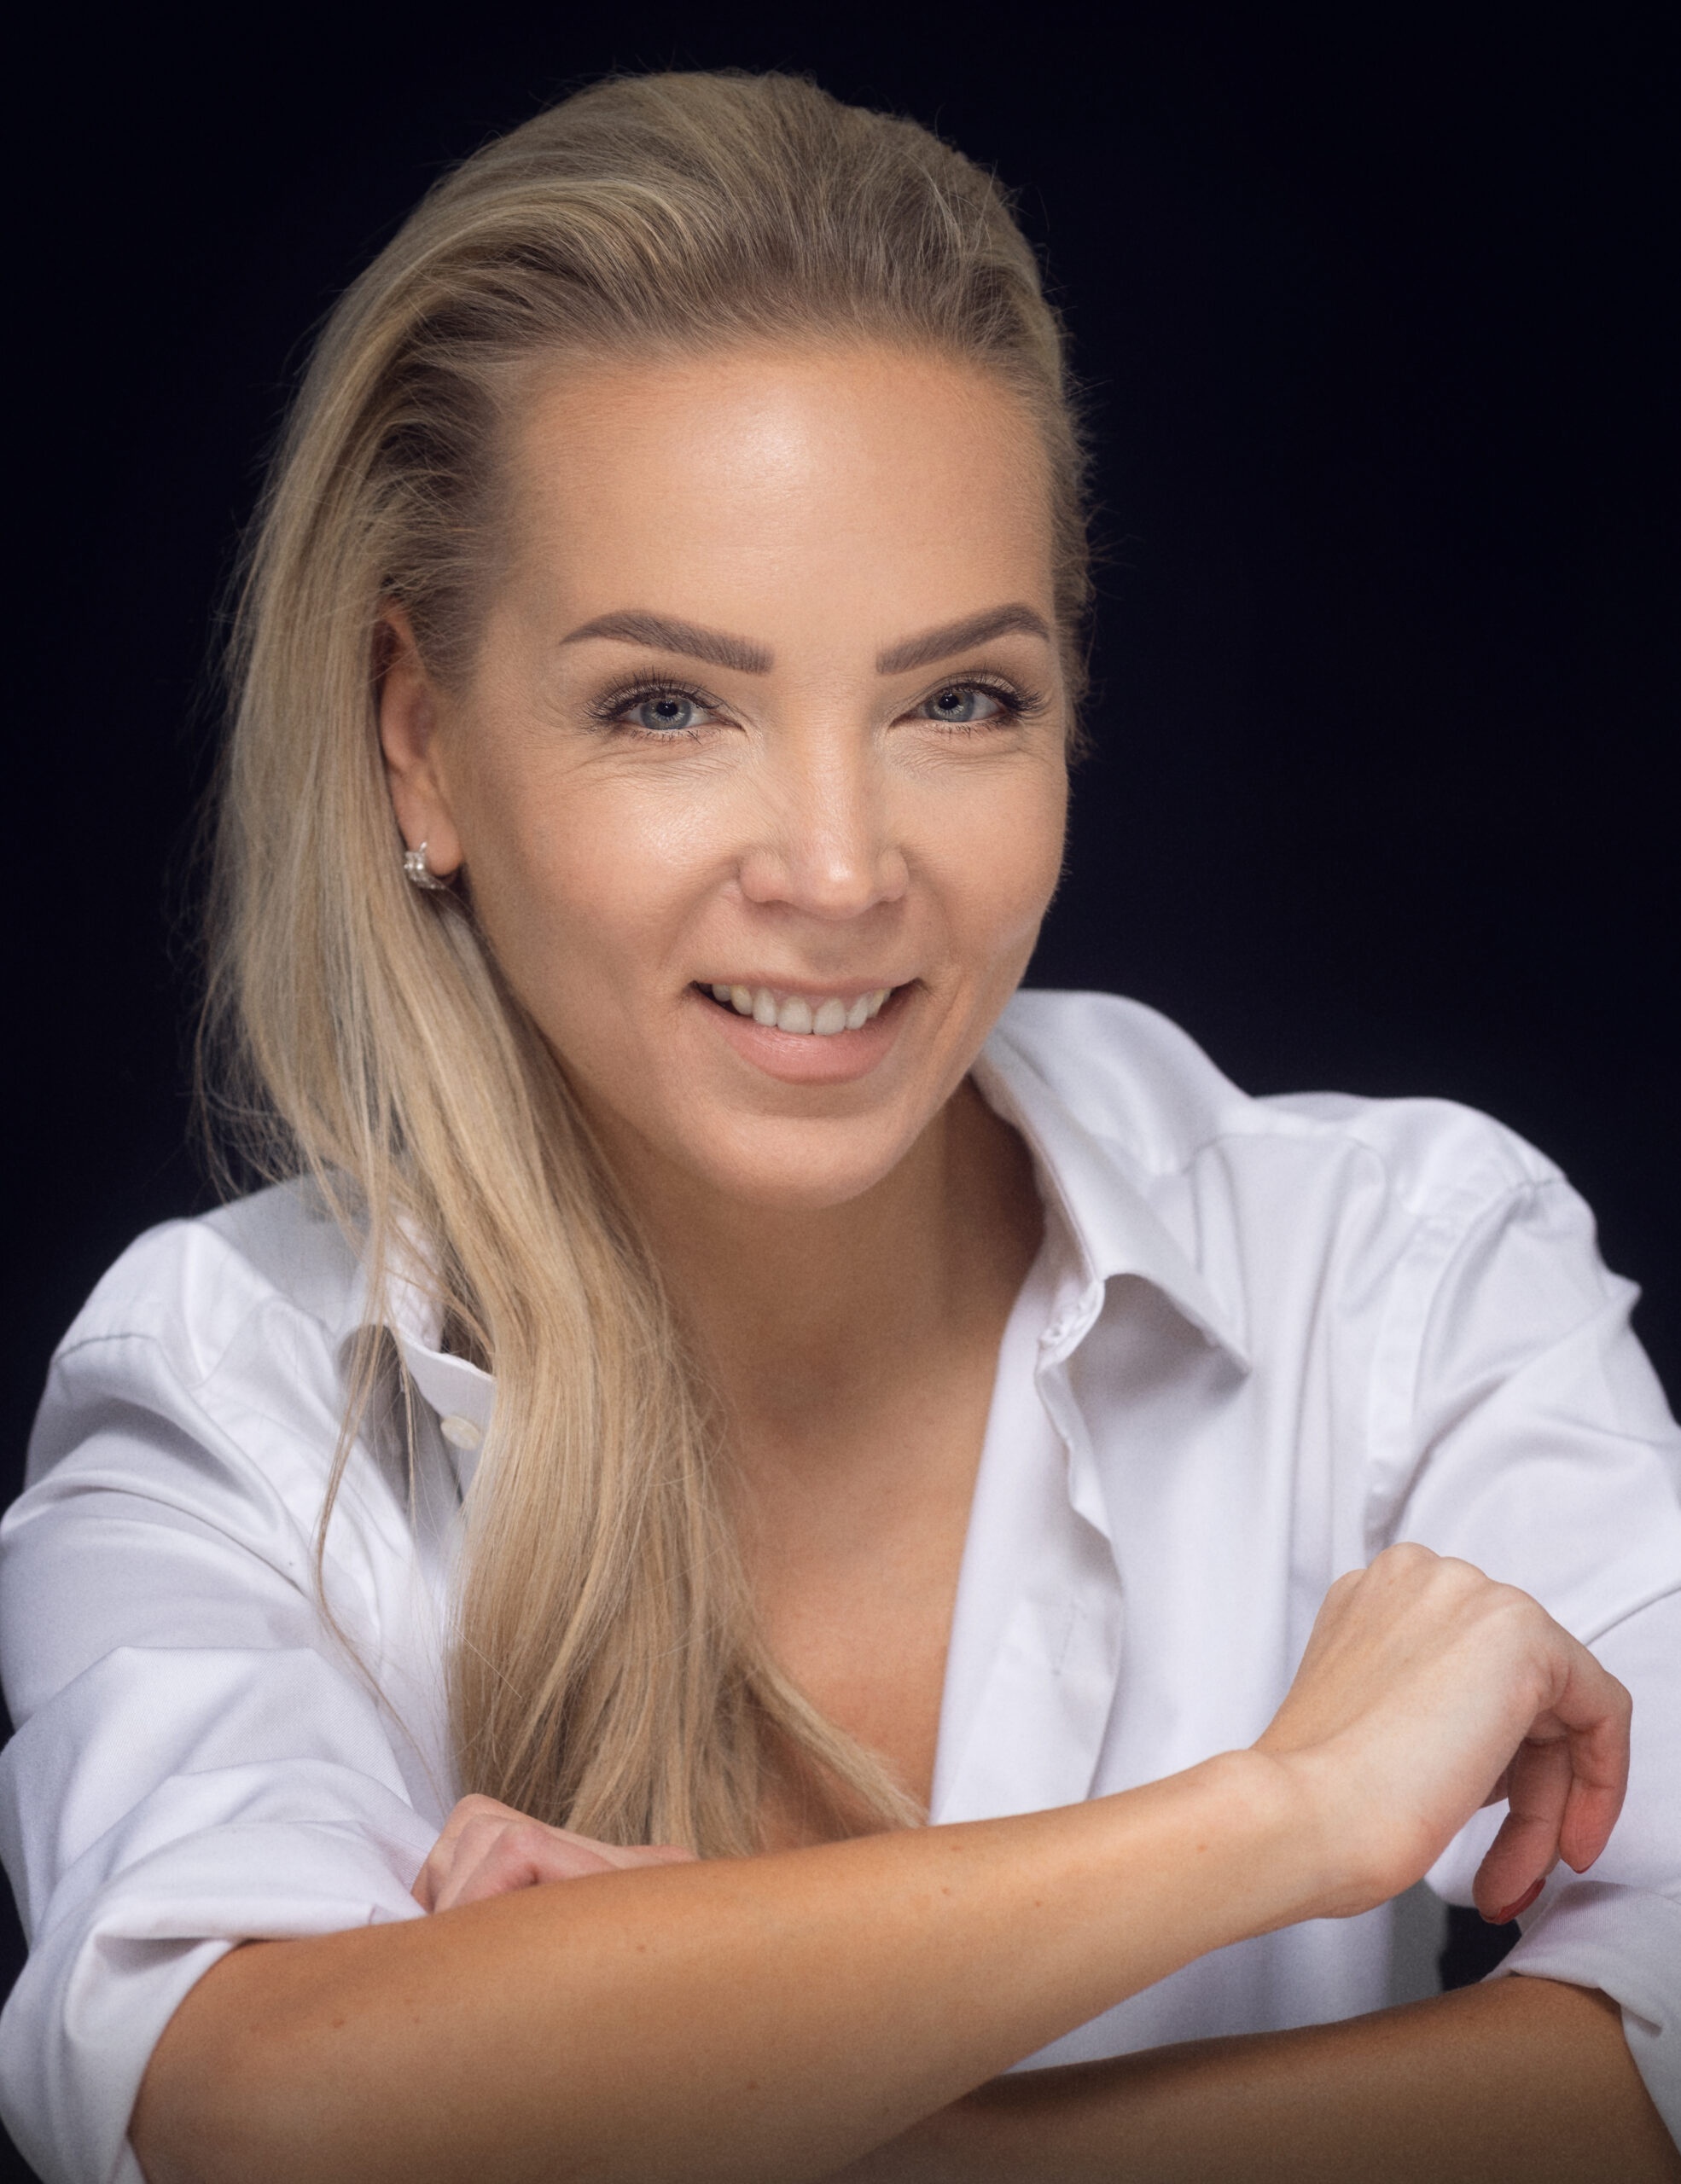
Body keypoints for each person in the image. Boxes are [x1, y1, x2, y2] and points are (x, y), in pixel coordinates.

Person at [1, 69, 1677, 2184]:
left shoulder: (1402, 1270)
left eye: (957, 699)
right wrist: (1271, 1818)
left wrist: (664, 2106)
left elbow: (1656, 2061)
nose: (838, 867)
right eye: (668, 706)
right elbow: (257, 2110)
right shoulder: (236, 1389)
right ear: (421, 746)